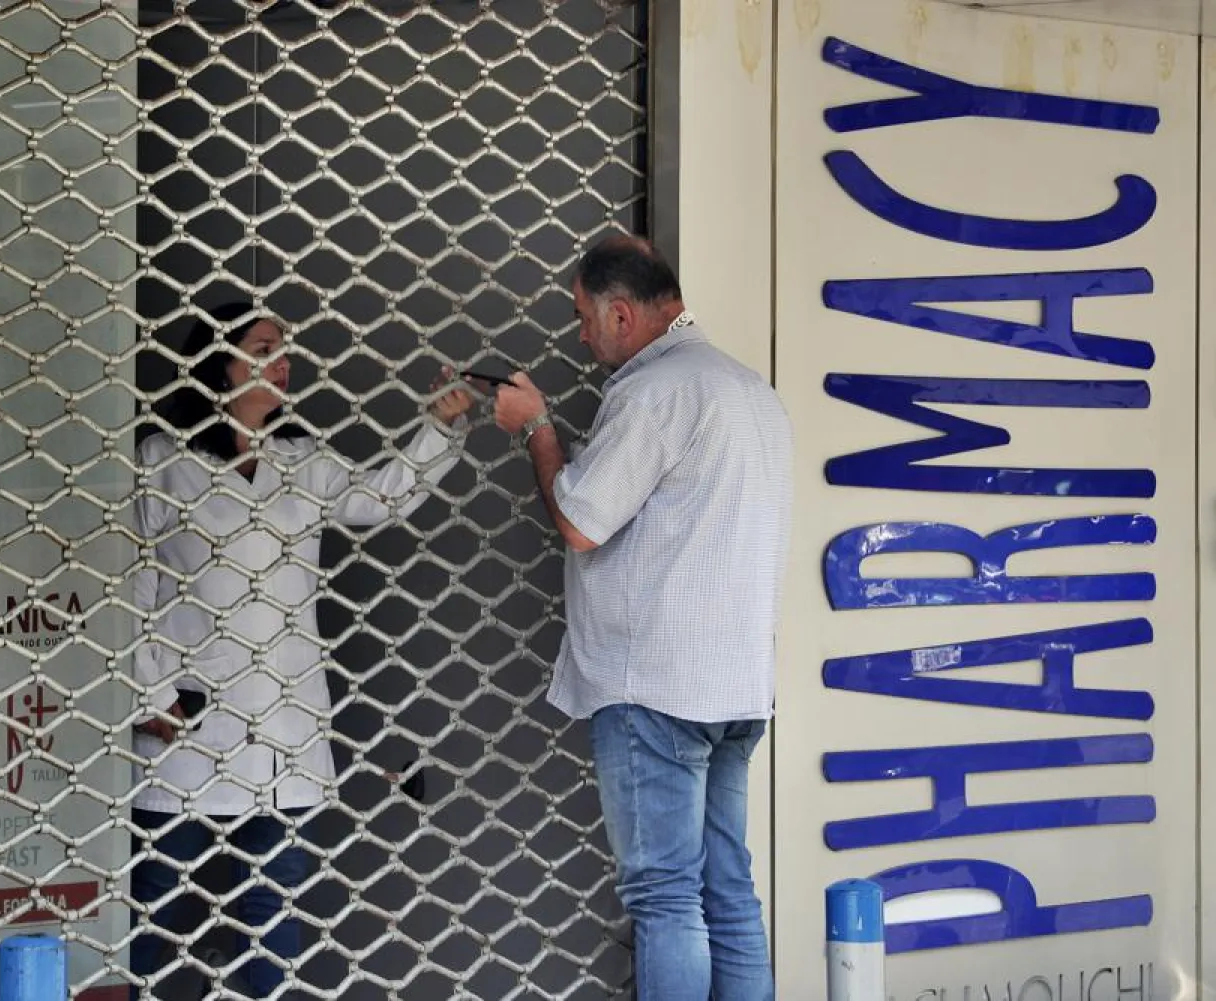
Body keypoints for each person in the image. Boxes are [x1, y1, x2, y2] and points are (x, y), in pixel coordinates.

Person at [128, 301, 477, 999]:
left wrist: (439, 426)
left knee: (271, 911)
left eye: (284, 345)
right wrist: (148, 694)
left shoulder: (302, 459)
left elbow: (384, 497)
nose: (283, 359)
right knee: (151, 909)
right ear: (220, 364)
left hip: (285, 728)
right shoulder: (162, 460)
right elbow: (129, 582)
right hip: (187, 725)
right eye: (264, 346)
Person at [492, 236, 792, 1001]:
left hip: (658, 688)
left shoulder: (656, 390)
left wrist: (538, 430)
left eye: (583, 319)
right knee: (727, 888)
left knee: (665, 897)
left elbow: (583, 520)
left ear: (621, 314)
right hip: (738, 687)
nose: (581, 337)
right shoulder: (749, 388)